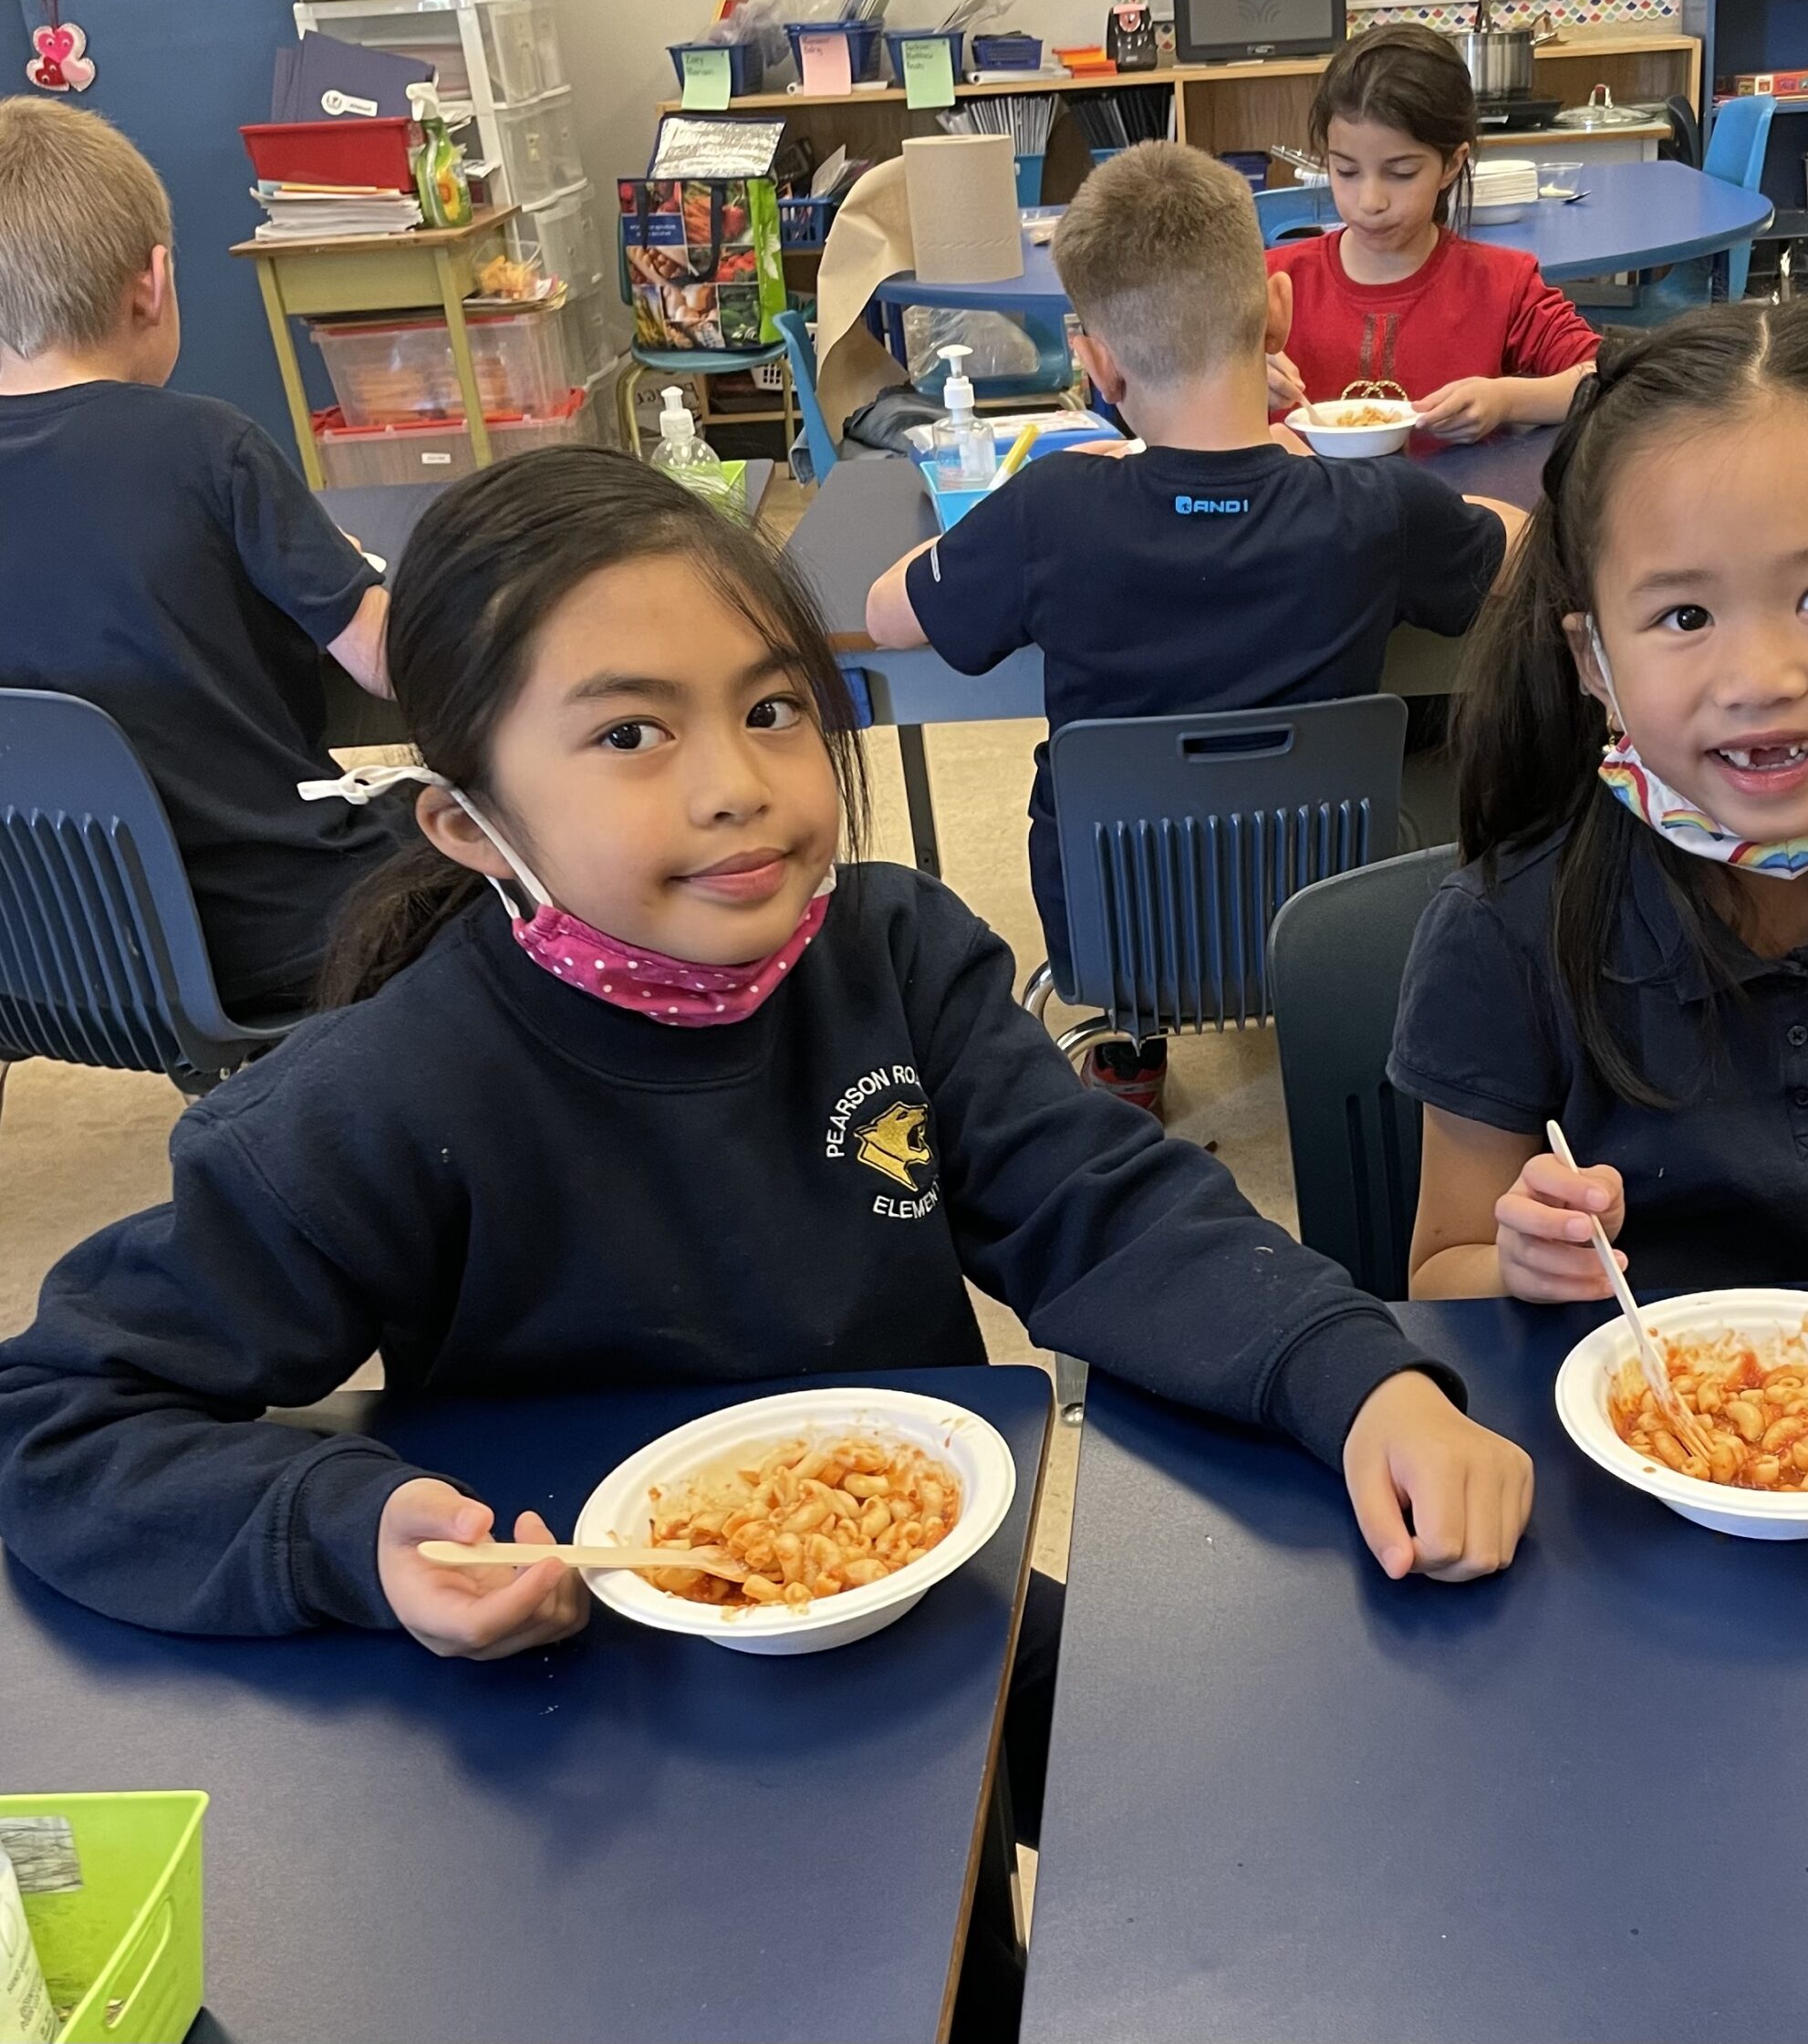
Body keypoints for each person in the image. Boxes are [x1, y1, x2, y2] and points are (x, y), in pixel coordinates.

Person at [0, 448, 1533, 1654]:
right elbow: (59, 1416)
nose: (740, 785)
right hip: (574, 1670)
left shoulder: (896, 958)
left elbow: (1109, 1210)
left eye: (775, 705)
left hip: (909, 1612)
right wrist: (352, 1531)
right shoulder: (380, 1097)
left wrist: (1354, 1375)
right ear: (470, 824)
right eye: (629, 734)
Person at [1391, 302, 1808, 1358]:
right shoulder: (1502, 931)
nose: (1760, 680)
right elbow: (1443, 1266)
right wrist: (1521, 1260)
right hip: (1612, 1425)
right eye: (1683, 616)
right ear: (1594, 664)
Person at [864, 141, 1523, 1106]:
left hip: (1115, 930)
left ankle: (1134, 1040)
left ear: (1095, 362)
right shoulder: (1372, 509)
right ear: (1279, 316)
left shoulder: (1047, 510)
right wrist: (1311, 453)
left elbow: (886, 617)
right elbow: (1511, 546)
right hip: (1321, 919)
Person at [0, 99, 393, 1013]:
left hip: (36, 964)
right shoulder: (208, 447)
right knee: (486, 839)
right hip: (278, 933)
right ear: (153, 283)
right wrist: (345, 568)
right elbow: (387, 660)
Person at [1265, 23, 1600, 445]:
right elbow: (1165, 392)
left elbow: (1606, 377)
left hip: (1462, 506)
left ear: (1452, 164)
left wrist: (1508, 400)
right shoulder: (1274, 283)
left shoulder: (1501, 285)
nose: (1371, 200)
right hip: (1306, 509)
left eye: (1402, 173)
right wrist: (1232, 381)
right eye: (1346, 171)